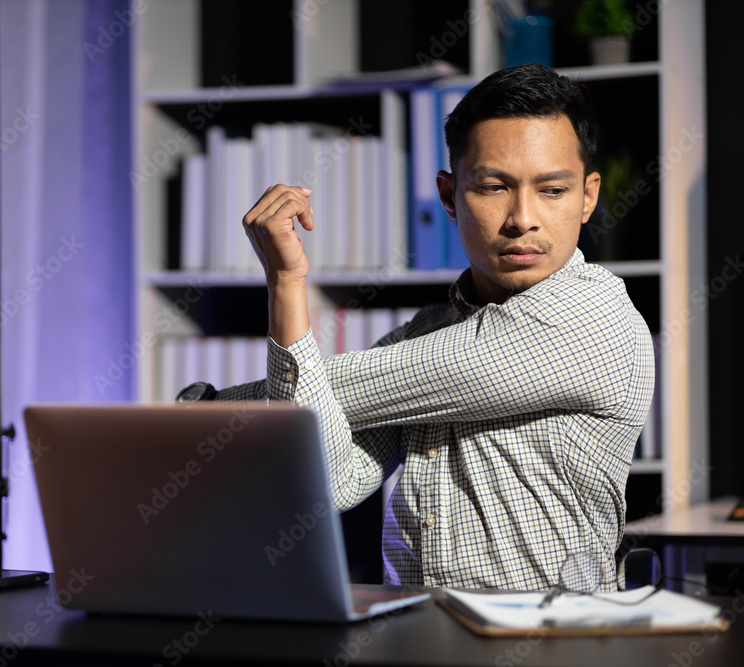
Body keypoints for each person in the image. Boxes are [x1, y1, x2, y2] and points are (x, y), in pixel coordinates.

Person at [210, 63, 654, 591]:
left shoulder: (593, 315)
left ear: (587, 196)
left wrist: (206, 411)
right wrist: (286, 281)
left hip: (553, 642)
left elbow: (343, 391)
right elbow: (332, 482)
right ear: (449, 196)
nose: (522, 219)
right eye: (492, 187)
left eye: (552, 191)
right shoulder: (426, 331)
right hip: (420, 634)